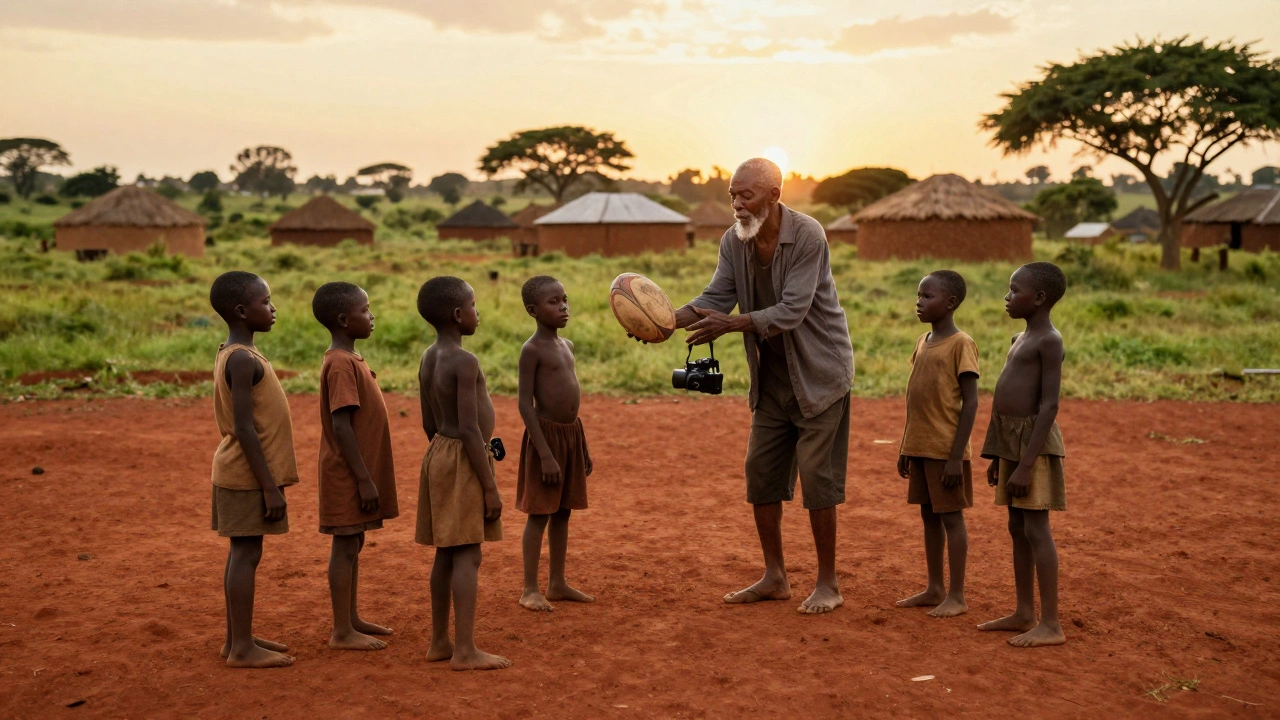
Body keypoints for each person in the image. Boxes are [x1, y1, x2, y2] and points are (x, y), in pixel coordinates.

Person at [674, 158, 856, 615]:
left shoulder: (808, 235)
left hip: (818, 376)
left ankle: (828, 583)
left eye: (746, 195)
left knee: (818, 481)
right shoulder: (733, 242)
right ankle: (775, 577)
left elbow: (793, 309)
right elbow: (715, 298)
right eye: (733, 195)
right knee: (761, 476)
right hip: (772, 380)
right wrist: (662, 322)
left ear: (774, 195)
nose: (736, 204)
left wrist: (731, 325)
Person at [414, 276, 510, 671]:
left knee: (445, 552)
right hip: (466, 457)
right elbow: (470, 429)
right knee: (468, 554)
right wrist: (489, 486)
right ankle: (466, 650)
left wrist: (443, 455)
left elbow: (427, 421)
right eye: (473, 305)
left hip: (438, 451)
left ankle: (440, 641)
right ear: (458, 315)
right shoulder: (465, 361)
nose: (477, 313)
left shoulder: (428, 356)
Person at [208, 271, 297, 669]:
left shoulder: (234, 351)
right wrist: (269, 487)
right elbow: (244, 427)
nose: (273, 308)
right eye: (266, 301)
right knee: (246, 554)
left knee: (242, 553)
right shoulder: (242, 359)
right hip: (245, 475)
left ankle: (235, 638)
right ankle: (242, 648)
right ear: (242, 311)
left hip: (241, 473)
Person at [977, 262, 1069, 648]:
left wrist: (1026, 464)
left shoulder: (1049, 340)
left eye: (1015, 290)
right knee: (1017, 528)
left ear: (1040, 298)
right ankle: (1023, 611)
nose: (1007, 296)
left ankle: (1050, 623)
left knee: (1036, 528)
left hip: (1035, 445)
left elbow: (1048, 407)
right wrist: (1000, 456)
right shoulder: (1020, 336)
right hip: (1012, 442)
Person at [312, 282, 399, 651]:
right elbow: (342, 425)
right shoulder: (340, 364)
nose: (371, 314)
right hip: (347, 473)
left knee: (355, 542)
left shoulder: (350, 359)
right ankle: (341, 631)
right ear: (345, 320)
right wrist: (363, 479)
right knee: (345, 546)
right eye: (365, 310)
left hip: (356, 470)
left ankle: (351, 617)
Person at [895, 270, 979, 618]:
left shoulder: (961, 343)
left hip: (947, 451)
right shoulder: (921, 341)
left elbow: (971, 402)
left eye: (927, 296)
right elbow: (916, 398)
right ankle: (934, 587)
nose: (919, 302)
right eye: (918, 295)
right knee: (929, 517)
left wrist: (955, 457)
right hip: (921, 447)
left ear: (951, 303)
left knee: (951, 519)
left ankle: (956, 595)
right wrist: (905, 447)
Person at [515, 275, 595, 612]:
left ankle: (557, 582)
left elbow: (572, 401)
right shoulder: (532, 350)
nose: (563, 306)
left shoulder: (568, 346)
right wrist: (545, 455)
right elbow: (524, 404)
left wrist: (583, 446)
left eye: (565, 299)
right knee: (540, 514)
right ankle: (530, 588)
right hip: (544, 439)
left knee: (563, 512)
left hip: (570, 435)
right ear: (533, 311)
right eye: (553, 302)